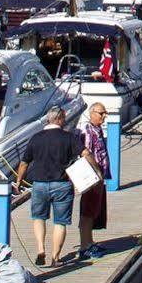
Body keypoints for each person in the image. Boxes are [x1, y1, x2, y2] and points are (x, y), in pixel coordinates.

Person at [21, 106, 84, 267]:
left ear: (48, 119)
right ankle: (55, 257)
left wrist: (19, 179)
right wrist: (94, 170)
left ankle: (41, 248)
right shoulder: (68, 137)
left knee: (38, 218)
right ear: (60, 119)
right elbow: (85, 153)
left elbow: (24, 162)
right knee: (60, 222)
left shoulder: (36, 138)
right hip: (62, 184)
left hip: (40, 184)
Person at [76, 102, 109, 260]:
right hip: (92, 178)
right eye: (101, 113)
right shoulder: (88, 131)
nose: (104, 116)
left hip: (99, 176)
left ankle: (89, 242)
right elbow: (86, 154)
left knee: (94, 210)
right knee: (87, 212)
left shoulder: (98, 129)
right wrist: (95, 175)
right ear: (92, 113)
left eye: (105, 113)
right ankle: (84, 246)